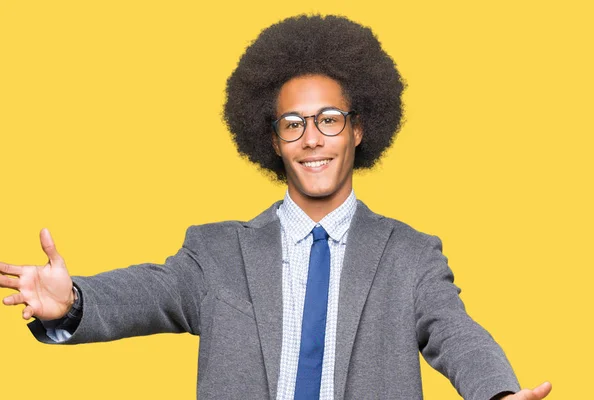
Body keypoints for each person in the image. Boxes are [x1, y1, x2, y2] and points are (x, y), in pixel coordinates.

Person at [0, 14, 551, 400]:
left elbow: (454, 331)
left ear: (358, 129)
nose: (312, 139)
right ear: (272, 140)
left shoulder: (410, 257)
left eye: (328, 119)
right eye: (293, 124)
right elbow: (147, 292)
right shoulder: (214, 253)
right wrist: (73, 301)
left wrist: (498, 392)